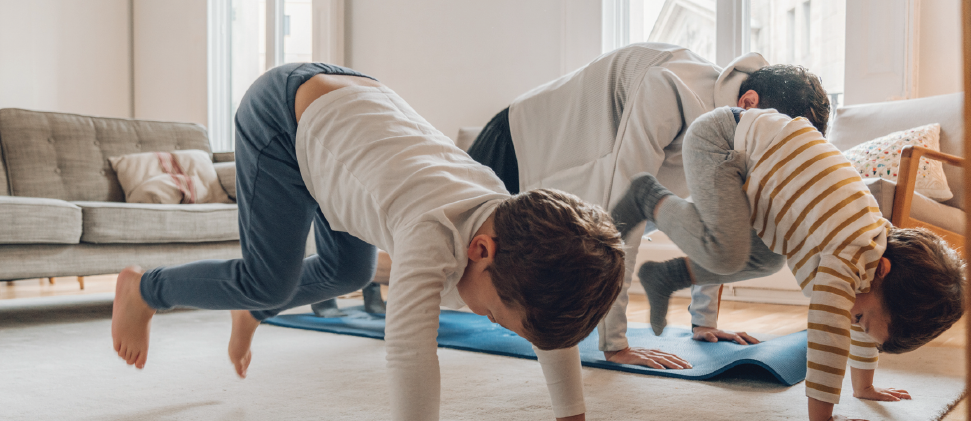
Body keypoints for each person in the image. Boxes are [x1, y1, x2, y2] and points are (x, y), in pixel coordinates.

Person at [110, 63, 628, 421]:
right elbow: (410, 350)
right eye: (494, 316)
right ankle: (146, 289)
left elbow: (548, 332)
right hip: (284, 118)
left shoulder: (505, 220)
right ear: (480, 251)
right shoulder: (432, 232)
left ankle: (253, 311)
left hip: (350, 121)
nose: (489, 320)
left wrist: (572, 414)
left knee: (348, 273)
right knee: (266, 280)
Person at [466, 42, 831, 365]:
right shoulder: (668, 88)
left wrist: (704, 322)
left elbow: (727, 223)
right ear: (748, 103)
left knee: (767, 251)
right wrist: (615, 344)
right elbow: (623, 211)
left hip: (568, 172)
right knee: (456, 272)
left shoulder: (749, 126)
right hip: (515, 144)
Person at [610, 106, 965, 421]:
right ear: (883, 272)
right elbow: (828, 334)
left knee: (762, 261)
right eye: (860, 319)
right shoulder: (850, 254)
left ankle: (666, 275)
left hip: (759, 168)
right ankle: (647, 195)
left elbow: (859, 327)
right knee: (727, 253)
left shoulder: (873, 254)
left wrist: (864, 388)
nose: (852, 321)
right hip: (725, 143)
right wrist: (822, 417)